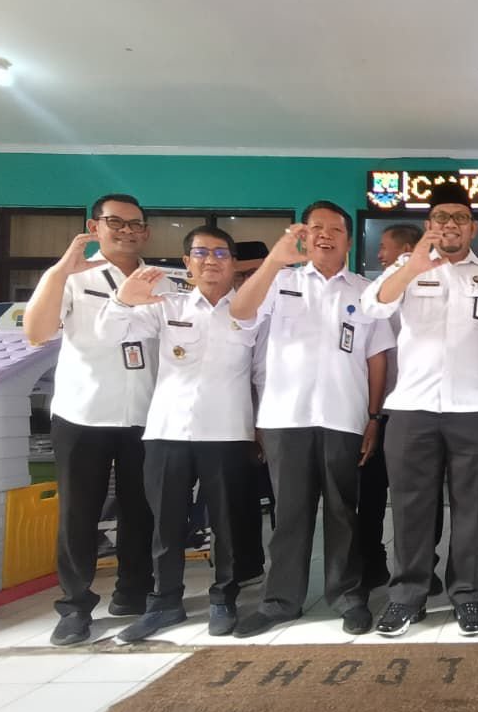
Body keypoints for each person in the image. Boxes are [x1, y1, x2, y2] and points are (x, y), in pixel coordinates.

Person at [228, 201, 395, 638]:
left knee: (343, 512)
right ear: (302, 235)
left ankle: (348, 597)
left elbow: (377, 358)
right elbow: (240, 312)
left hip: (345, 415)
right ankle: (280, 601)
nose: (325, 235)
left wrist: (374, 418)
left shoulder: (365, 291)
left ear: (348, 239)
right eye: (316, 228)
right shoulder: (278, 281)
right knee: (289, 514)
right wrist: (273, 260)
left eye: (335, 229)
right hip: (286, 416)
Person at [361, 182, 478, 637]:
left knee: (473, 508)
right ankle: (407, 595)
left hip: (476, 407)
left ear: (473, 227)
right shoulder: (407, 267)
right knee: (411, 506)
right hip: (413, 407)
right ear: (429, 225)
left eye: (459, 218)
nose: (450, 225)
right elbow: (372, 307)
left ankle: (466, 594)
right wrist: (412, 266)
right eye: (442, 218)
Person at [97, 227, 260, 640]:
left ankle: (224, 598)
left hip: (227, 431)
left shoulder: (252, 310)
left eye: (220, 253)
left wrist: (260, 428)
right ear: (187, 262)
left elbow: (261, 371)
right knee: (165, 524)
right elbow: (112, 334)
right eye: (201, 253)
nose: (211, 261)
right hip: (168, 430)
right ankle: (165, 602)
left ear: (233, 262)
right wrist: (122, 300)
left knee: (227, 524)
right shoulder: (167, 304)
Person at [24, 193, 158, 647]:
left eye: (135, 224)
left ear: (146, 232)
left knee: (142, 510)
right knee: (79, 515)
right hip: (83, 414)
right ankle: (75, 606)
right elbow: (37, 332)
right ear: (94, 227)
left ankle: (133, 594)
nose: (126, 231)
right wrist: (60, 271)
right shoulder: (72, 277)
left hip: (145, 414)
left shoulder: (160, 281)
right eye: (115, 222)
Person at [356, 222, 425, 591]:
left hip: (414, 410)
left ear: (407, 251)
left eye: (384, 247)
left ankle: (422, 567)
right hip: (379, 408)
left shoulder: (431, 286)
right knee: (371, 493)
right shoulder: (380, 291)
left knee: (416, 496)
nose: (379, 255)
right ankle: (372, 562)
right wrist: (373, 412)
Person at [231, 239, 271, 587]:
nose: (249, 282)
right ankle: (246, 567)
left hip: (277, 417)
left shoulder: (282, 305)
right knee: (238, 495)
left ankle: (288, 572)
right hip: (230, 419)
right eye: (242, 275)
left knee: (285, 500)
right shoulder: (221, 310)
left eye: (257, 273)